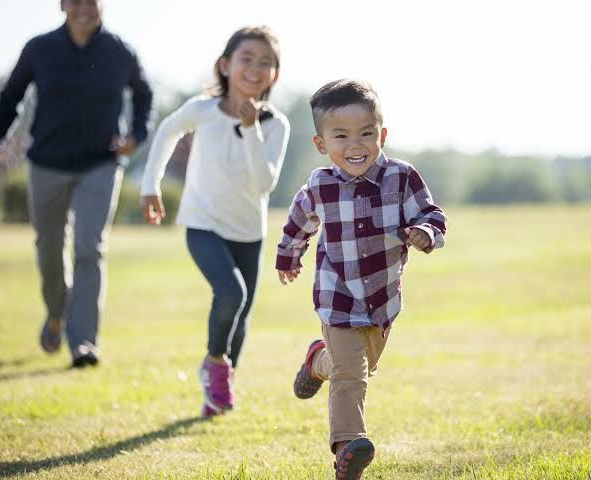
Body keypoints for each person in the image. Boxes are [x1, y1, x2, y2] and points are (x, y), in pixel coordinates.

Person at [276, 79, 447, 479]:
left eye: (367, 133)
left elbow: (431, 213)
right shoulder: (320, 185)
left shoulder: (402, 178)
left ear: (382, 134)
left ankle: (316, 362)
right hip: (338, 297)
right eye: (341, 135)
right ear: (322, 144)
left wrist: (426, 232)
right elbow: (298, 224)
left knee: (355, 366)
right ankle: (348, 446)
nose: (356, 144)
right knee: (352, 375)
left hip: (382, 300)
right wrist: (288, 257)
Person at [141, 26, 289, 417]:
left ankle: (219, 391)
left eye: (266, 63)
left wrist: (251, 129)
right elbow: (166, 133)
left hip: (249, 232)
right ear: (225, 65)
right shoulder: (201, 111)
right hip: (202, 223)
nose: (255, 68)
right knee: (231, 294)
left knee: (240, 319)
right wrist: (150, 186)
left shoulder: (276, 124)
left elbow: (263, 184)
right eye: (246, 59)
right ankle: (214, 364)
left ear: (274, 74)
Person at [0, 0, 153, 367]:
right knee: (48, 249)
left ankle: (83, 342)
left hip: (100, 164)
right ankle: (56, 313)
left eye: (92, 1)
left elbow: (145, 96)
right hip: (47, 164)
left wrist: (136, 134)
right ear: (63, 5)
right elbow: (10, 99)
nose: (84, 8)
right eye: (76, 1)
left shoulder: (119, 52)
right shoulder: (40, 48)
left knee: (89, 248)